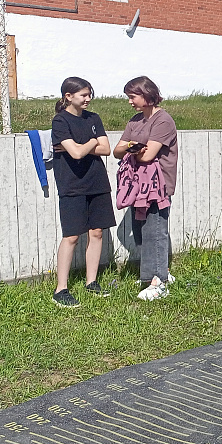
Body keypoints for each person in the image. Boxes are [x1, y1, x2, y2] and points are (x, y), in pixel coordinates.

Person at [50, 77, 116, 308]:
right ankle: (61, 289)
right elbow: (77, 154)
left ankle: (91, 282)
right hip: (72, 185)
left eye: (90, 95)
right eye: (83, 95)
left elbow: (106, 149)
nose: (88, 99)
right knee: (71, 236)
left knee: (96, 232)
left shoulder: (93, 118)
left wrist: (82, 145)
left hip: (97, 182)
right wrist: (92, 142)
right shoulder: (60, 121)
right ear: (68, 96)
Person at [114, 76, 178, 301]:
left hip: (157, 186)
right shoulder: (135, 120)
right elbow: (117, 151)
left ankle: (159, 281)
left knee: (155, 231)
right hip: (137, 185)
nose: (130, 101)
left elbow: (148, 155)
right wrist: (133, 147)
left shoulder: (163, 120)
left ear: (147, 94)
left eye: (133, 97)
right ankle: (151, 274)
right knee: (141, 231)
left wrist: (131, 148)